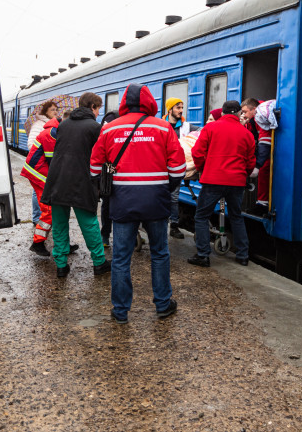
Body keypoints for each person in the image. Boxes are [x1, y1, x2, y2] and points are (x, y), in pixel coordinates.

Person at [91, 84, 185, 324]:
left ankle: (120, 311)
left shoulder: (110, 128)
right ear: (150, 102)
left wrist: (107, 185)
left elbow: (94, 167)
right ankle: (163, 304)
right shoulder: (163, 127)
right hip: (156, 200)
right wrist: (165, 188)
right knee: (160, 253)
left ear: (124, 102)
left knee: (121, 257)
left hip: (122, 200)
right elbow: (178, 168)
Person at [41, 93, 109, 278]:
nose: (98, 113)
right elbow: (100, 156)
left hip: (57, 180)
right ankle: (99, 262)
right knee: (89, 223)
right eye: (98, 108)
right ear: (93, 107)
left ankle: (61, 265)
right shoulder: (95, 127)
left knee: (59, 224)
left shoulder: (63, 125)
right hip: (81, 181)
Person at [189, 100, 256, 267]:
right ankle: (243, 256)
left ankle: (203, 255)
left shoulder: (210, 128)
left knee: (202, 216)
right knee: (236, 216)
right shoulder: (247, 134)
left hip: (213, 180)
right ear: (239, 113)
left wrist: (202, 168)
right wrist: (243, 174)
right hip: (237, 182)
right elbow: (250, 162)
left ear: (223, 113)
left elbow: (197, 152)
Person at [20, 114, 60, 256]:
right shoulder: (51, 134)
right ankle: (37, 243)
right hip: (39, 174)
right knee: (49, 210)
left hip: (39, 172)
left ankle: (62, 244)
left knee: (54, 209)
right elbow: (53, 160)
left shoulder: (52, 131)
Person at [162, 97, 196, 239]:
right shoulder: (161, 125)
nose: (181, 110)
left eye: (182, 107)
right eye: (178, 108)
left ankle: (174, 226)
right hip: (161, 167)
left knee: (174, 198)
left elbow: (203, 133)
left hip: (177, 167)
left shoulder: (187, 126)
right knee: (160, 197)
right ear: (170, 109)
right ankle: (159, 224)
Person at [26, 101, 58, 224]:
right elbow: (31, 144)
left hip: (48, 163)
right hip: (39, 163)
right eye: (52, 110)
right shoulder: (39, 125)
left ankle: (45, 216)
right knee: (37, 190)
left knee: (45, 190)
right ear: (45, 112)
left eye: (56, 109)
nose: (55, 112)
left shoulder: (54, 124)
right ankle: (36, 217)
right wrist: (44, 150)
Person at [98, 110, 119, 250]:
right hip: (109, 168)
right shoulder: (112, 118)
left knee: (112, 203)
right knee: (107, 203)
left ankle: (131, 234)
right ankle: (105, 234)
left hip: (117, 168)